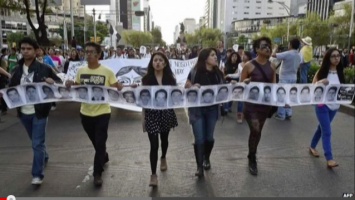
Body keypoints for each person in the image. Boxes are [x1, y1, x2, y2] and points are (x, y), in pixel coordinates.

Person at [0, 37, 62, 185]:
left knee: (37, 143)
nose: (25, 51)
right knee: (35, 141)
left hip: (39, 112)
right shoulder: (16, 69)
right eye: (23, 49)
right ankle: (44, 156)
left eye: (29, 49)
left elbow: (59, 84)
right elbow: (12, 87)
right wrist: (5, 93)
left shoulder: (45, 68)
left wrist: (52, 82)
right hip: (23, 113)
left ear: (36, 51)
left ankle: (37, 174)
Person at [65, 42, 127, 187]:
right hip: (85, 112)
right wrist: (69, 84)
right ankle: (103, 155)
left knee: (100, 141)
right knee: (96, 142)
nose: (88, 54)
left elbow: (115, 88)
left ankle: (97, 174)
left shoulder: (107, 71)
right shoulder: (80, 70)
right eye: (86, 52)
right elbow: (76, 85)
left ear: (98, 55)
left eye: (92, 52)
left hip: (102, 112)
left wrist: (119, 86)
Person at [185, 48, 224, 177]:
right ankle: (199, 166)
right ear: (205, 58)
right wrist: (191, 86)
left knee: (209, 138)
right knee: (199, 139)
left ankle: (207, 157)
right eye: (212, 55)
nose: (215, 57)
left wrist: (233, 85)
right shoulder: (195, 71)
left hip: (212, 110)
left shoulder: (218, 73)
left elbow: (223, 89)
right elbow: (186, 84)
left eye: (215, 55)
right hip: (197, 110)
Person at [240, 37, 276, 176]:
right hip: (250, 105)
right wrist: (246, 81)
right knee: (255, 128)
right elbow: (240, 84)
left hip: (264, 104)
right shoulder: (248, 65)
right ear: (257, 49)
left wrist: (279, 100)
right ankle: (252, 158)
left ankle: (251, 153)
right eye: (264, 46)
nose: (268, 48)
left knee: (258, 131)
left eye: (269, 46)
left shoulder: (272, 65)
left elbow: (274, 86)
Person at [141, 52, 178, 187]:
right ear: (152, 63)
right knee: (153, 145)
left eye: (160, 60)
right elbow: (142, 98)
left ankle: (163, 157)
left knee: (164, 140)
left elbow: (177, 95)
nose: (157, 62)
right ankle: (153, 175)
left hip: (166, 113)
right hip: (151, 114)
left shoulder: (170, 79)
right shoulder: (146, 79)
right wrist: (143, 118)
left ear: (164, 63)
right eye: (155, 60)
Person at [309, 48, 345, 168]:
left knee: (322, 128)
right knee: (327, 130)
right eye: (333, 56)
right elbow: (312, 87)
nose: (336, 58)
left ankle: (312, 146)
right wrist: (320, 83)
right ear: (328, 58)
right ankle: (329, 158)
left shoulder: (340, 72)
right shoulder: (322, 71)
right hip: (321, 104)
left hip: (334, 106)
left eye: (338, 56)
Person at [272, 38, 302, 120]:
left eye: (289, 44)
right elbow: (299, 66)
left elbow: (273, 55)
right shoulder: (300, 55)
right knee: (289, 96)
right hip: (293, 78)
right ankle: (288, 112)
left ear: (291, 45)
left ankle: (281, 114)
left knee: (281, 96)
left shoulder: (287, 53)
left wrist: (275, 48)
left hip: (284, 78)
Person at [226, 52, 252, 123]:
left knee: (248, 101)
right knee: (240, 101)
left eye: (245, 55)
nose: (243, 56)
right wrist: (229, 75)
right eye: (242, 55)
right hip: (241, 84)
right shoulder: (239, 64)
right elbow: (238, 74)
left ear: (248, 56)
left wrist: (249, 79)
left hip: (249, 85)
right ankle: (239, 115)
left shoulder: (252, 64)